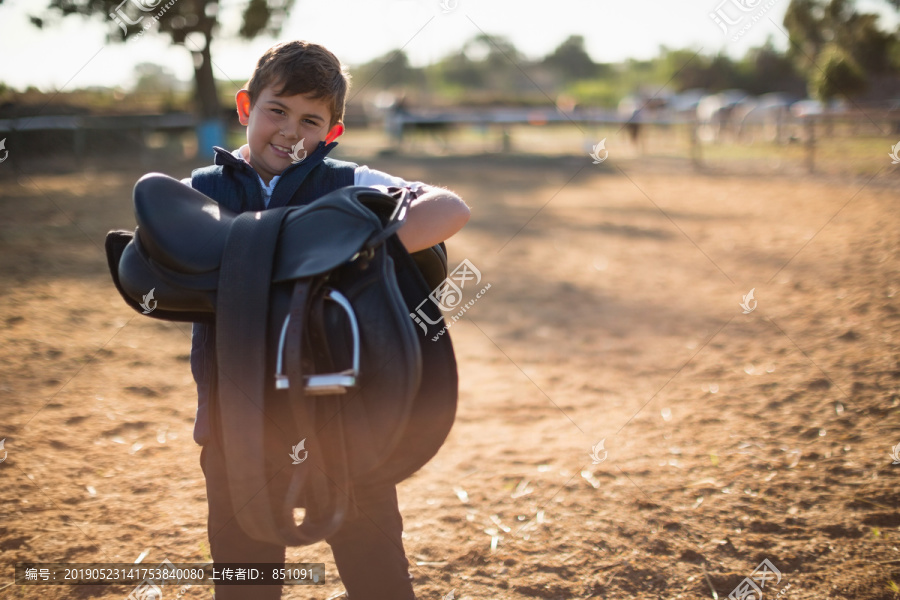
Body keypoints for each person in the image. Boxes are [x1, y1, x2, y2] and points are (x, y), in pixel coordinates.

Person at [184, 40, 470, 600]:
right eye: (277, 111)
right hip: (237, 418)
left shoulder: (348, 184)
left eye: (310, 120)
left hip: (344, 411)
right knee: (244, 574)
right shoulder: (202, 191)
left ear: (331, 132)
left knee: (376, 566)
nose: (291, 132)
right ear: (246, 107)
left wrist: (350, 245)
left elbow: (450, 209)